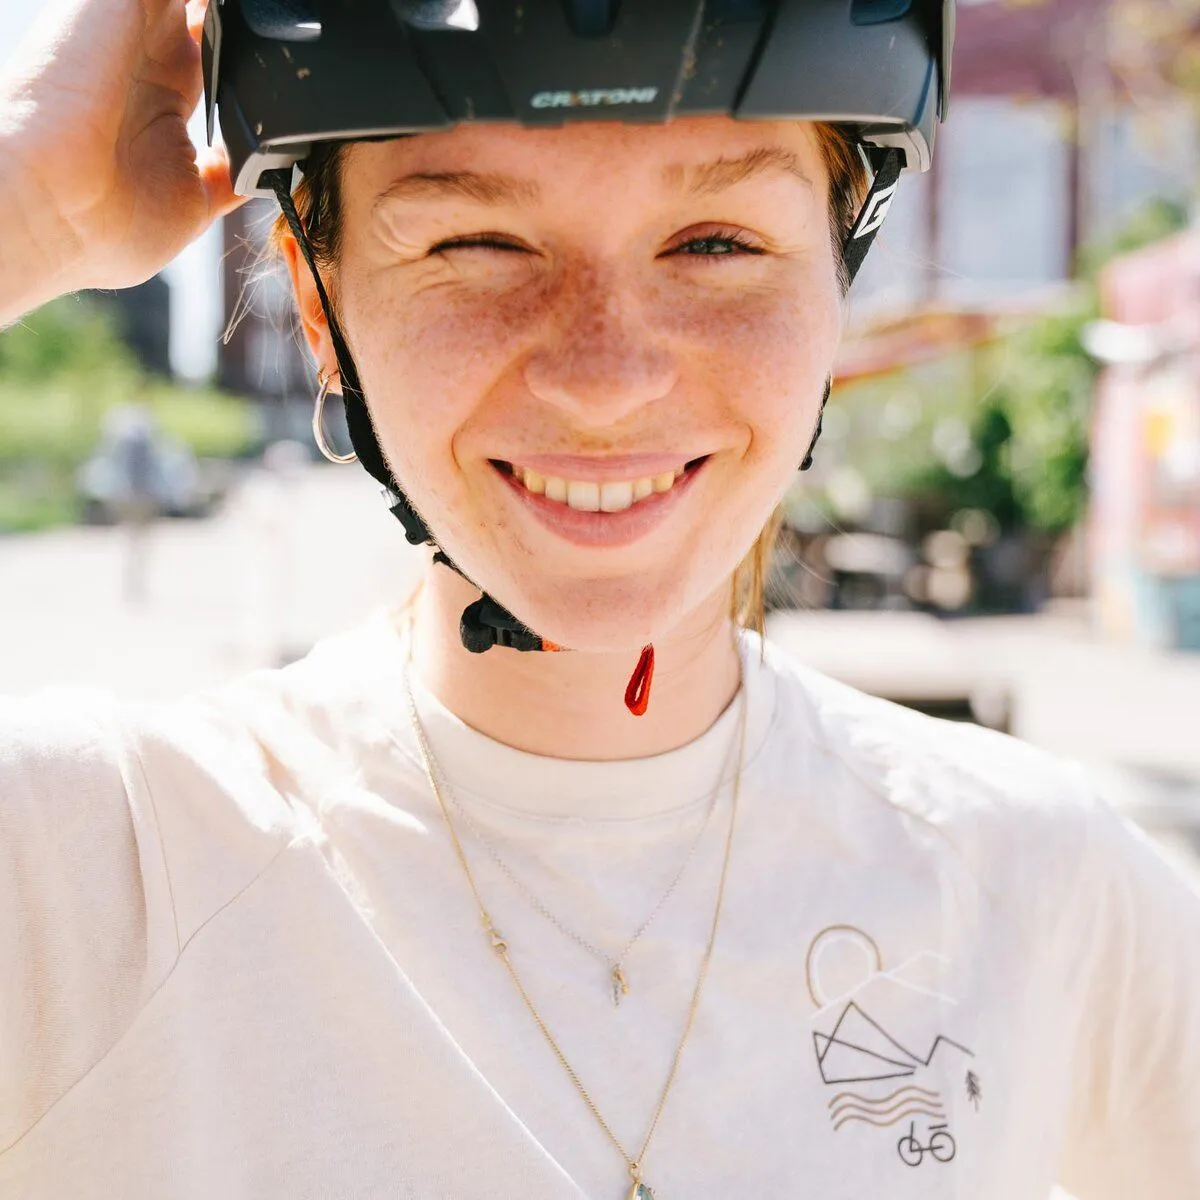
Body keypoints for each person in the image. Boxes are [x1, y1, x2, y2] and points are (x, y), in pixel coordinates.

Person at [1, 3, 1197, 1199]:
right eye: (477, 242)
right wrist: (29, 217)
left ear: (839, 278)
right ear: (324, 313)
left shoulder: (1038, 888)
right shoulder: (88, 878)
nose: (605, 381)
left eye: (716, 243)